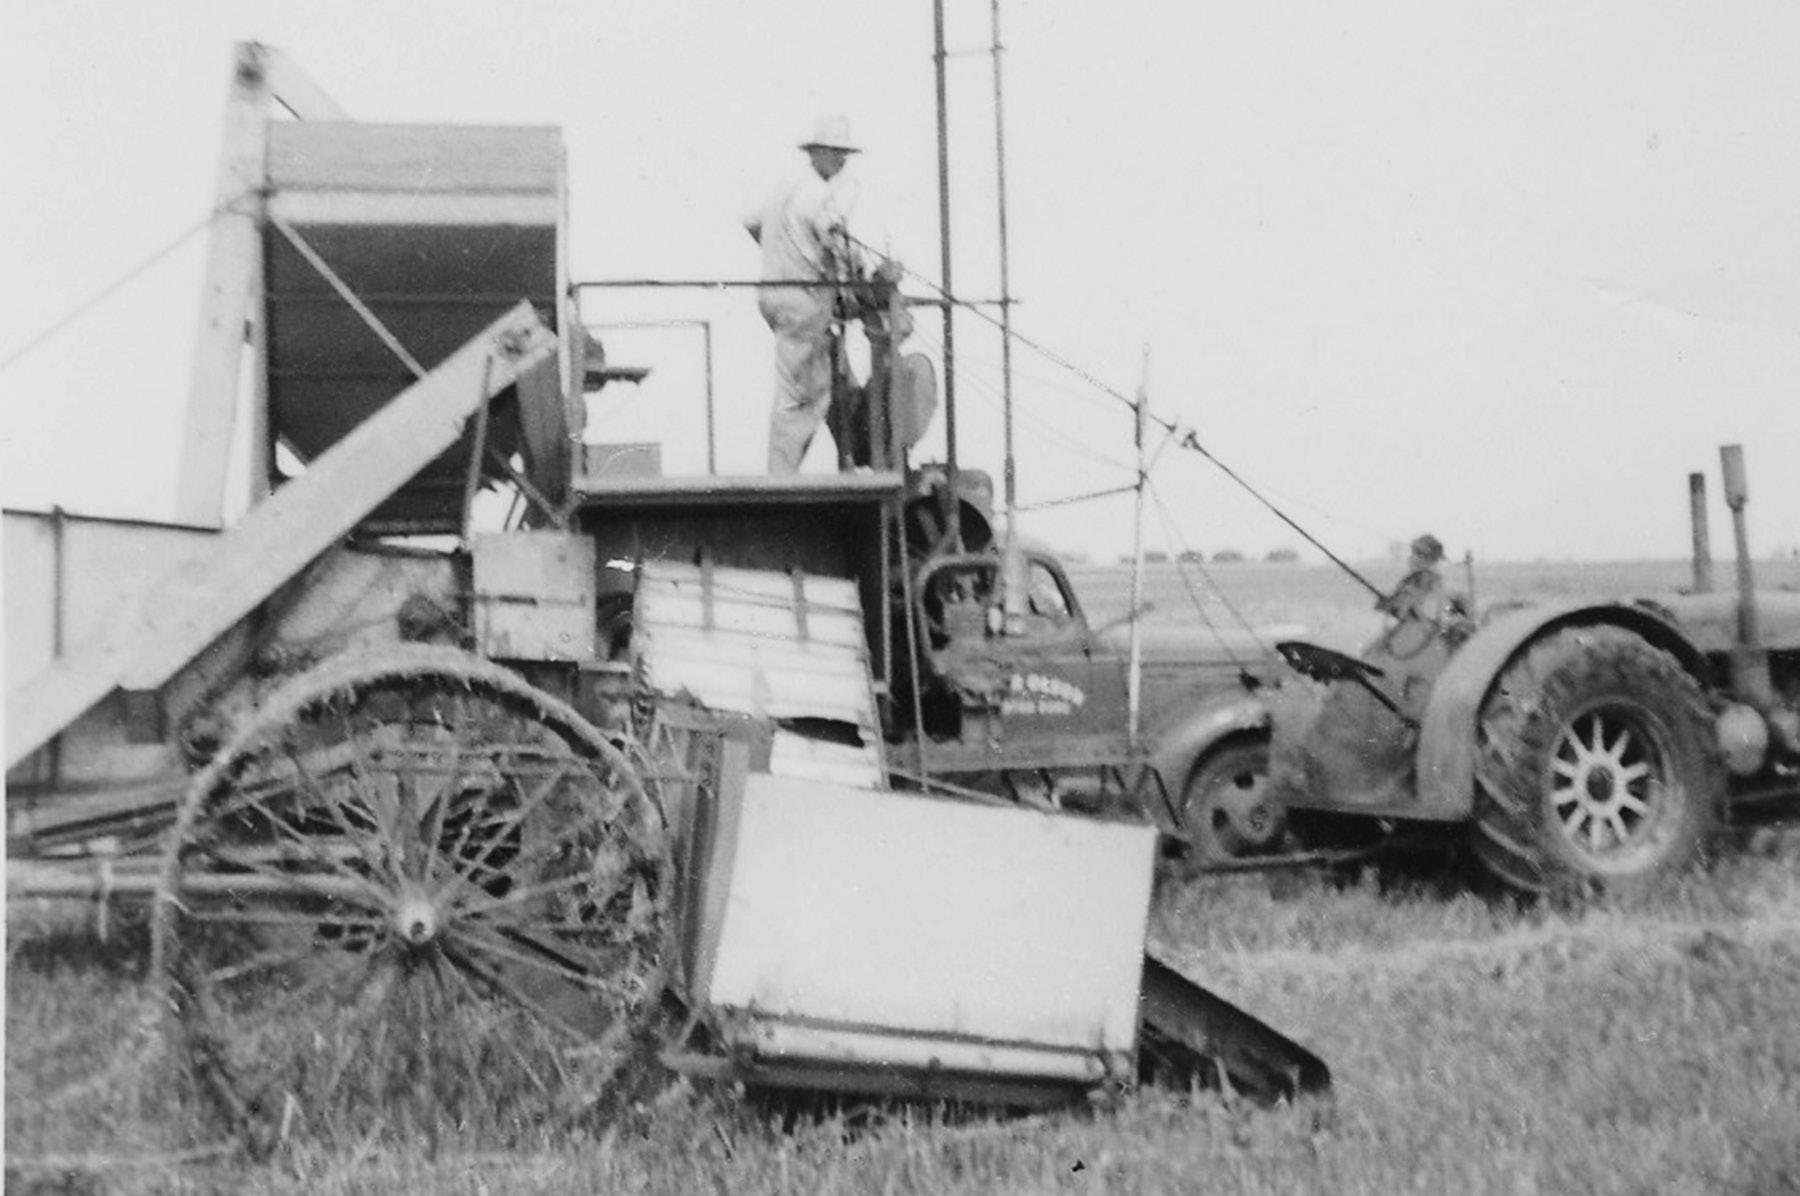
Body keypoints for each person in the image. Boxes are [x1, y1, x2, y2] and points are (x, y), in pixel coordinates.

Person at [744, 116, 869, 474]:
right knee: (802, 394)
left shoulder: (786, 187)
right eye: (835, 153)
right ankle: (781, 479)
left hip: (775, 295)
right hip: (805, 300)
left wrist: (783, 254)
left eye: (844, 154)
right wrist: (855, 271)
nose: (842, 161)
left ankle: (846, 460)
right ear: (817, 153)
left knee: (819, 375)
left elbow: (752, 221)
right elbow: (832, 235)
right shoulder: (818, 194)